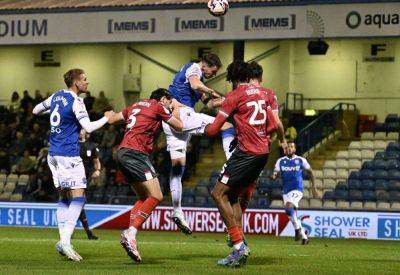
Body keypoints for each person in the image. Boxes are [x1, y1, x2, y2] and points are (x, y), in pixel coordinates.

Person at [204, 61, 286, 267]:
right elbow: (275, 124)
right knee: (233, 197)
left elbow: (214, 130)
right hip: (263, 153)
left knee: (217, 194)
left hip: (246, 153)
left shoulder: (234, 96)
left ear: (231, 79)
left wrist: (195, 126)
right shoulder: (267, 93)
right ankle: (237, 246)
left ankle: (239, 245)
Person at [33, 68, 113, 261]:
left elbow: (36, 110)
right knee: (79, 198)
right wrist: (107, 118)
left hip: (53, 154)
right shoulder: (77, 101)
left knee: (65, 197)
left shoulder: (57, 96)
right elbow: (88, 127)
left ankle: (63, 242)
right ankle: (66, 242)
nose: (88, 82)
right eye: (85, 80)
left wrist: (58, 116)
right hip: (68, 155)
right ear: (76, 83)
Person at [107, 88, 183, 263]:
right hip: (136, 153)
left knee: (143, 197)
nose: (169, 105)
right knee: (157, 195)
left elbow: (112, 120)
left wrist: (108, 114)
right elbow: (179, 125)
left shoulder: (134, 106)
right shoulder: (158, 106)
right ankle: (130, 233)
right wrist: (176, 109)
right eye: (169, 102)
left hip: (122, 152)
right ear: (163, 99)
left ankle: (131, 237)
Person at [163, 53, 235, 234]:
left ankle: (177, 211)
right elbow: (196, 84)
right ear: (205, 65)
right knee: (226, 125)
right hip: (183, 115)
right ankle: (232, 163)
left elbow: (210, 104)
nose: (213, 74)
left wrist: (228, 100)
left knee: (178, 168)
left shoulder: (194, 76)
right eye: (213, 71)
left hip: (171, 121)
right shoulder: (194, 68)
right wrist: (211, 90)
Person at [272, 140, 318, 245]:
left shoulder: (301, 160)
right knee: (291, 214)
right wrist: (274, 176)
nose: (289, 148)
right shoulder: (280, 161)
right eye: (288, 147)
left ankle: (297, 230)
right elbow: (275, 172)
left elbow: (311, 172)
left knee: (288, 207)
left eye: (292, 147)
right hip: (286, 191)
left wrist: (313, 186)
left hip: (297, 189)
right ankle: (304, 237)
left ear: (295, 149)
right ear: (285, 149)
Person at [78, 129, 100, 240]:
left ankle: (69, 229)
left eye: (82, 129)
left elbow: (96, 160)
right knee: (79, 203)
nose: (80, 131)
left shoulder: (91, 145)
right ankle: (88, 233)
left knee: (78, 205)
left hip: (85, 178)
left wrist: (98, 170)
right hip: (73, 177)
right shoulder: (72, 143)